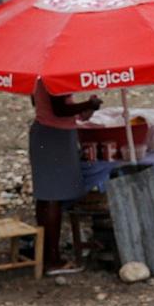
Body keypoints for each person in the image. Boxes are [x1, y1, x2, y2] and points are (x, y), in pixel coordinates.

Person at [31, 79, 101, 275]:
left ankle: (45, 254)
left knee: (46, 197)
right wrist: (88, 104)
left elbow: (40, 102)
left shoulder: (40, 75)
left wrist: (82, 110)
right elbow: (59, 109)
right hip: (55, 136)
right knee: (54, 196)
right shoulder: (54, 75)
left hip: (45, 132)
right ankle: (52, 260)